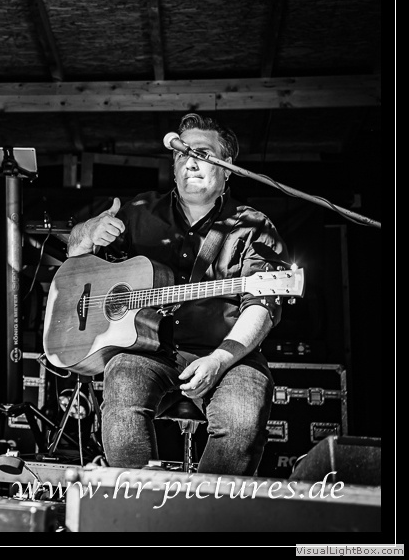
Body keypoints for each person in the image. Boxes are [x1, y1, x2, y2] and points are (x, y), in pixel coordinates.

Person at [65, 113, 289, 477]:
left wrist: (219, 360)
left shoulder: (253, 226)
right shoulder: (138, 212)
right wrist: (88, 233)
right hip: (147, 352)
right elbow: (77, 261)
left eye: (202, 153)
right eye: (181, 154)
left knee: (242, 417)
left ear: (228, 167)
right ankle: (138, 501)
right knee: (122, 382)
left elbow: (262, 305)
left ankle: (205, 509)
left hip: (227, 354)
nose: (190, 162)